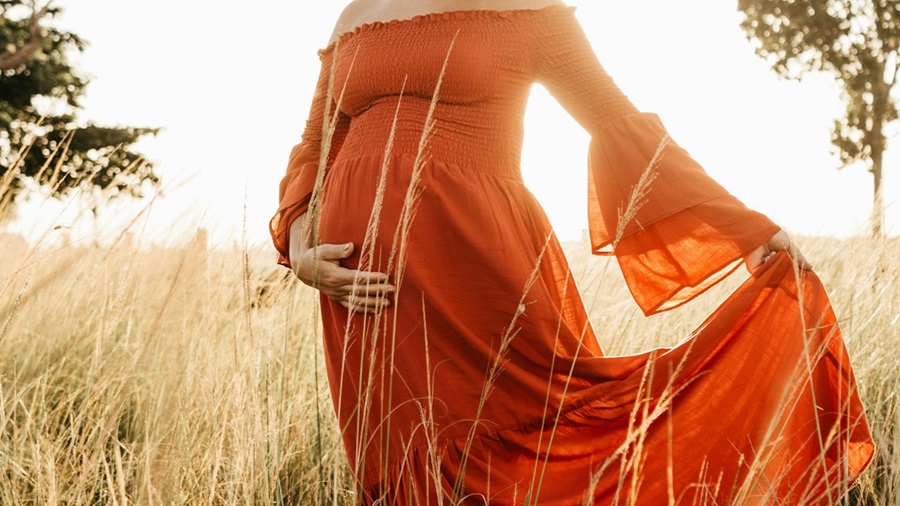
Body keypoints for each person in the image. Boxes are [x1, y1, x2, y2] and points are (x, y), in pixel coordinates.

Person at [271, 0, 874, 503]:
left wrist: (746, 227)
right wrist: (300, 246)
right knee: (398, 462)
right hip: (362, 292)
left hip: (477, 266)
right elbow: (316, 143)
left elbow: (618, 124)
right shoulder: (358, 12)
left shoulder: (529, 11)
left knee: (531, 434)